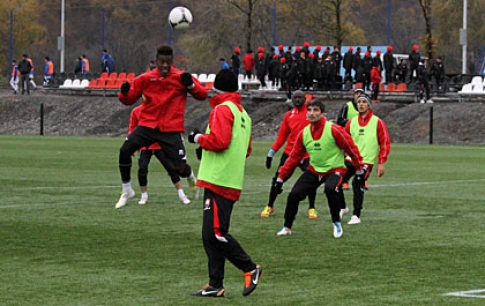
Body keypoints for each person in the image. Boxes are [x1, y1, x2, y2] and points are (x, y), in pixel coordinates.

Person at [188, 69, 262, 298]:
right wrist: (208, 150)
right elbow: (245, 150)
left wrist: (198, 139)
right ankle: (215, 284)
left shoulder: (222, 109)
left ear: (216, 88)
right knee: (210, 234)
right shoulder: (244, 114)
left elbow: (219, 141)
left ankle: (250, 268)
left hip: (218, 179)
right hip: (230, 179)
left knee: (215, 233)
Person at [115, 45, 208, 209]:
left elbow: (202, 95)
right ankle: (127, 190)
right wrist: (123, 93)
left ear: (172, 62)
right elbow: (129, 99)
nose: (164, 65)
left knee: (180, 169)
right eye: (161, 62)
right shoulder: (145, 78)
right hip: (148, 127)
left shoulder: (181, 77)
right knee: (124, 152)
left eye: (168, 62)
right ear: (156, 61)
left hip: (170, 130)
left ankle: (190, 175)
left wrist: (191, 86)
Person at [275, 98, 365, 238]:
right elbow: (293, 157)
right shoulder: (304, 133)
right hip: (314, 170)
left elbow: (351, 148)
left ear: (323, 113)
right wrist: (281, 176)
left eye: (316, 110)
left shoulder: (334, 129)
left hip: (335, 169)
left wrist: (359, 167)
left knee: (330, 189)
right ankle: (287, 227)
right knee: (293, 195)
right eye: (309, 110)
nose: (312, 113)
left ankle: (336, 223)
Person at [261, 90, 318, 218]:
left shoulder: (311, 113)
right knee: (278, 178)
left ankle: (312, 208)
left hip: (307, 153)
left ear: (305, 98)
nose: (297, 100)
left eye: (300, 97)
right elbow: (281, 137)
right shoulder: (289, 115)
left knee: (311, 178)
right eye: (295, 98)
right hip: (290, 153)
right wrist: (271, 153)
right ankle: (270, 206)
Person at [128, 105, 195, 205]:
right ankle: (144, 196)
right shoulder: (136, 111)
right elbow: (132, 128)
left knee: (171, 169)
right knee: (142, 169)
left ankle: (182, 195)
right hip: (145, 146)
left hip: (159, 145)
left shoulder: (158, 109)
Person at [341, 94, 391, 225]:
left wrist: (381, 163)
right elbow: (343, 140)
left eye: (364, 102)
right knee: (336, 180)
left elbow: (384, 142)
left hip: (366, 162)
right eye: (359, 102)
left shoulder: (377, 122)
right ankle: (342, 207)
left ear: (369, 105)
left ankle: (356, 215)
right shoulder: (351, 122)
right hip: (351, 159)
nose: (361, 104)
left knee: (357, 184)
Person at [336, 88, 365, 190]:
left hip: (360, 138)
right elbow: (339, 121)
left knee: (362, 158)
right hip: (347, 137)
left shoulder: (366, 108)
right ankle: (344, 181)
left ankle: (363, 180)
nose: (358, 95)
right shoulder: (347, 106)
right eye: (356, 94)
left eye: (360, 94)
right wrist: (352, 122)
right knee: (346, 161)